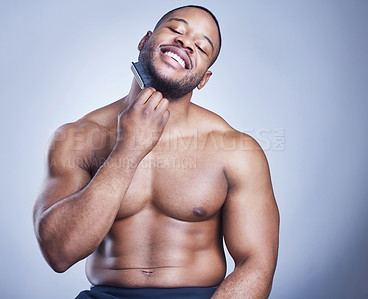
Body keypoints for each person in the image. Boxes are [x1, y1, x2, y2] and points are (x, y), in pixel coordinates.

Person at [33, 5, 280, 299]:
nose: (185, 42)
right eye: (175, 30)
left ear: (203, 79)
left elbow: (257, 264)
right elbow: (59, 253)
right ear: (144, 41)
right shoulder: (76, 137)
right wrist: (128, 148)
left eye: (201, 47)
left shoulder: (237, 150)